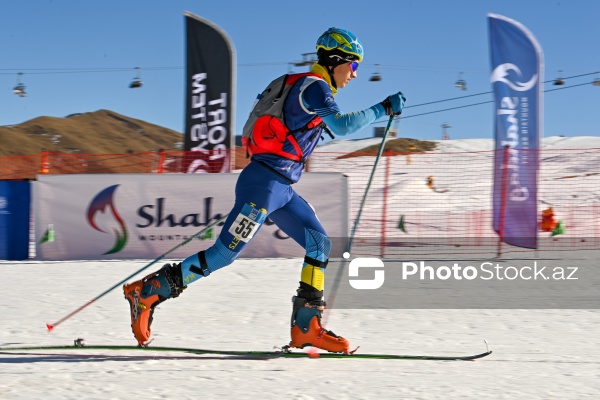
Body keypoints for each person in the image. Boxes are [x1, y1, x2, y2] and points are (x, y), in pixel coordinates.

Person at [123, 27, 406, 353]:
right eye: (353, 66)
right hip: (263, 186)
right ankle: (147, 292)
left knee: (319, 244)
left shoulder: (309, 89)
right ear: (335, 61)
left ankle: (307, 328)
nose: (355, 75)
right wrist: (383, 108)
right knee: (222, 255)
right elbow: (342, 126)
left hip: (280, 188)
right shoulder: (315, 88)